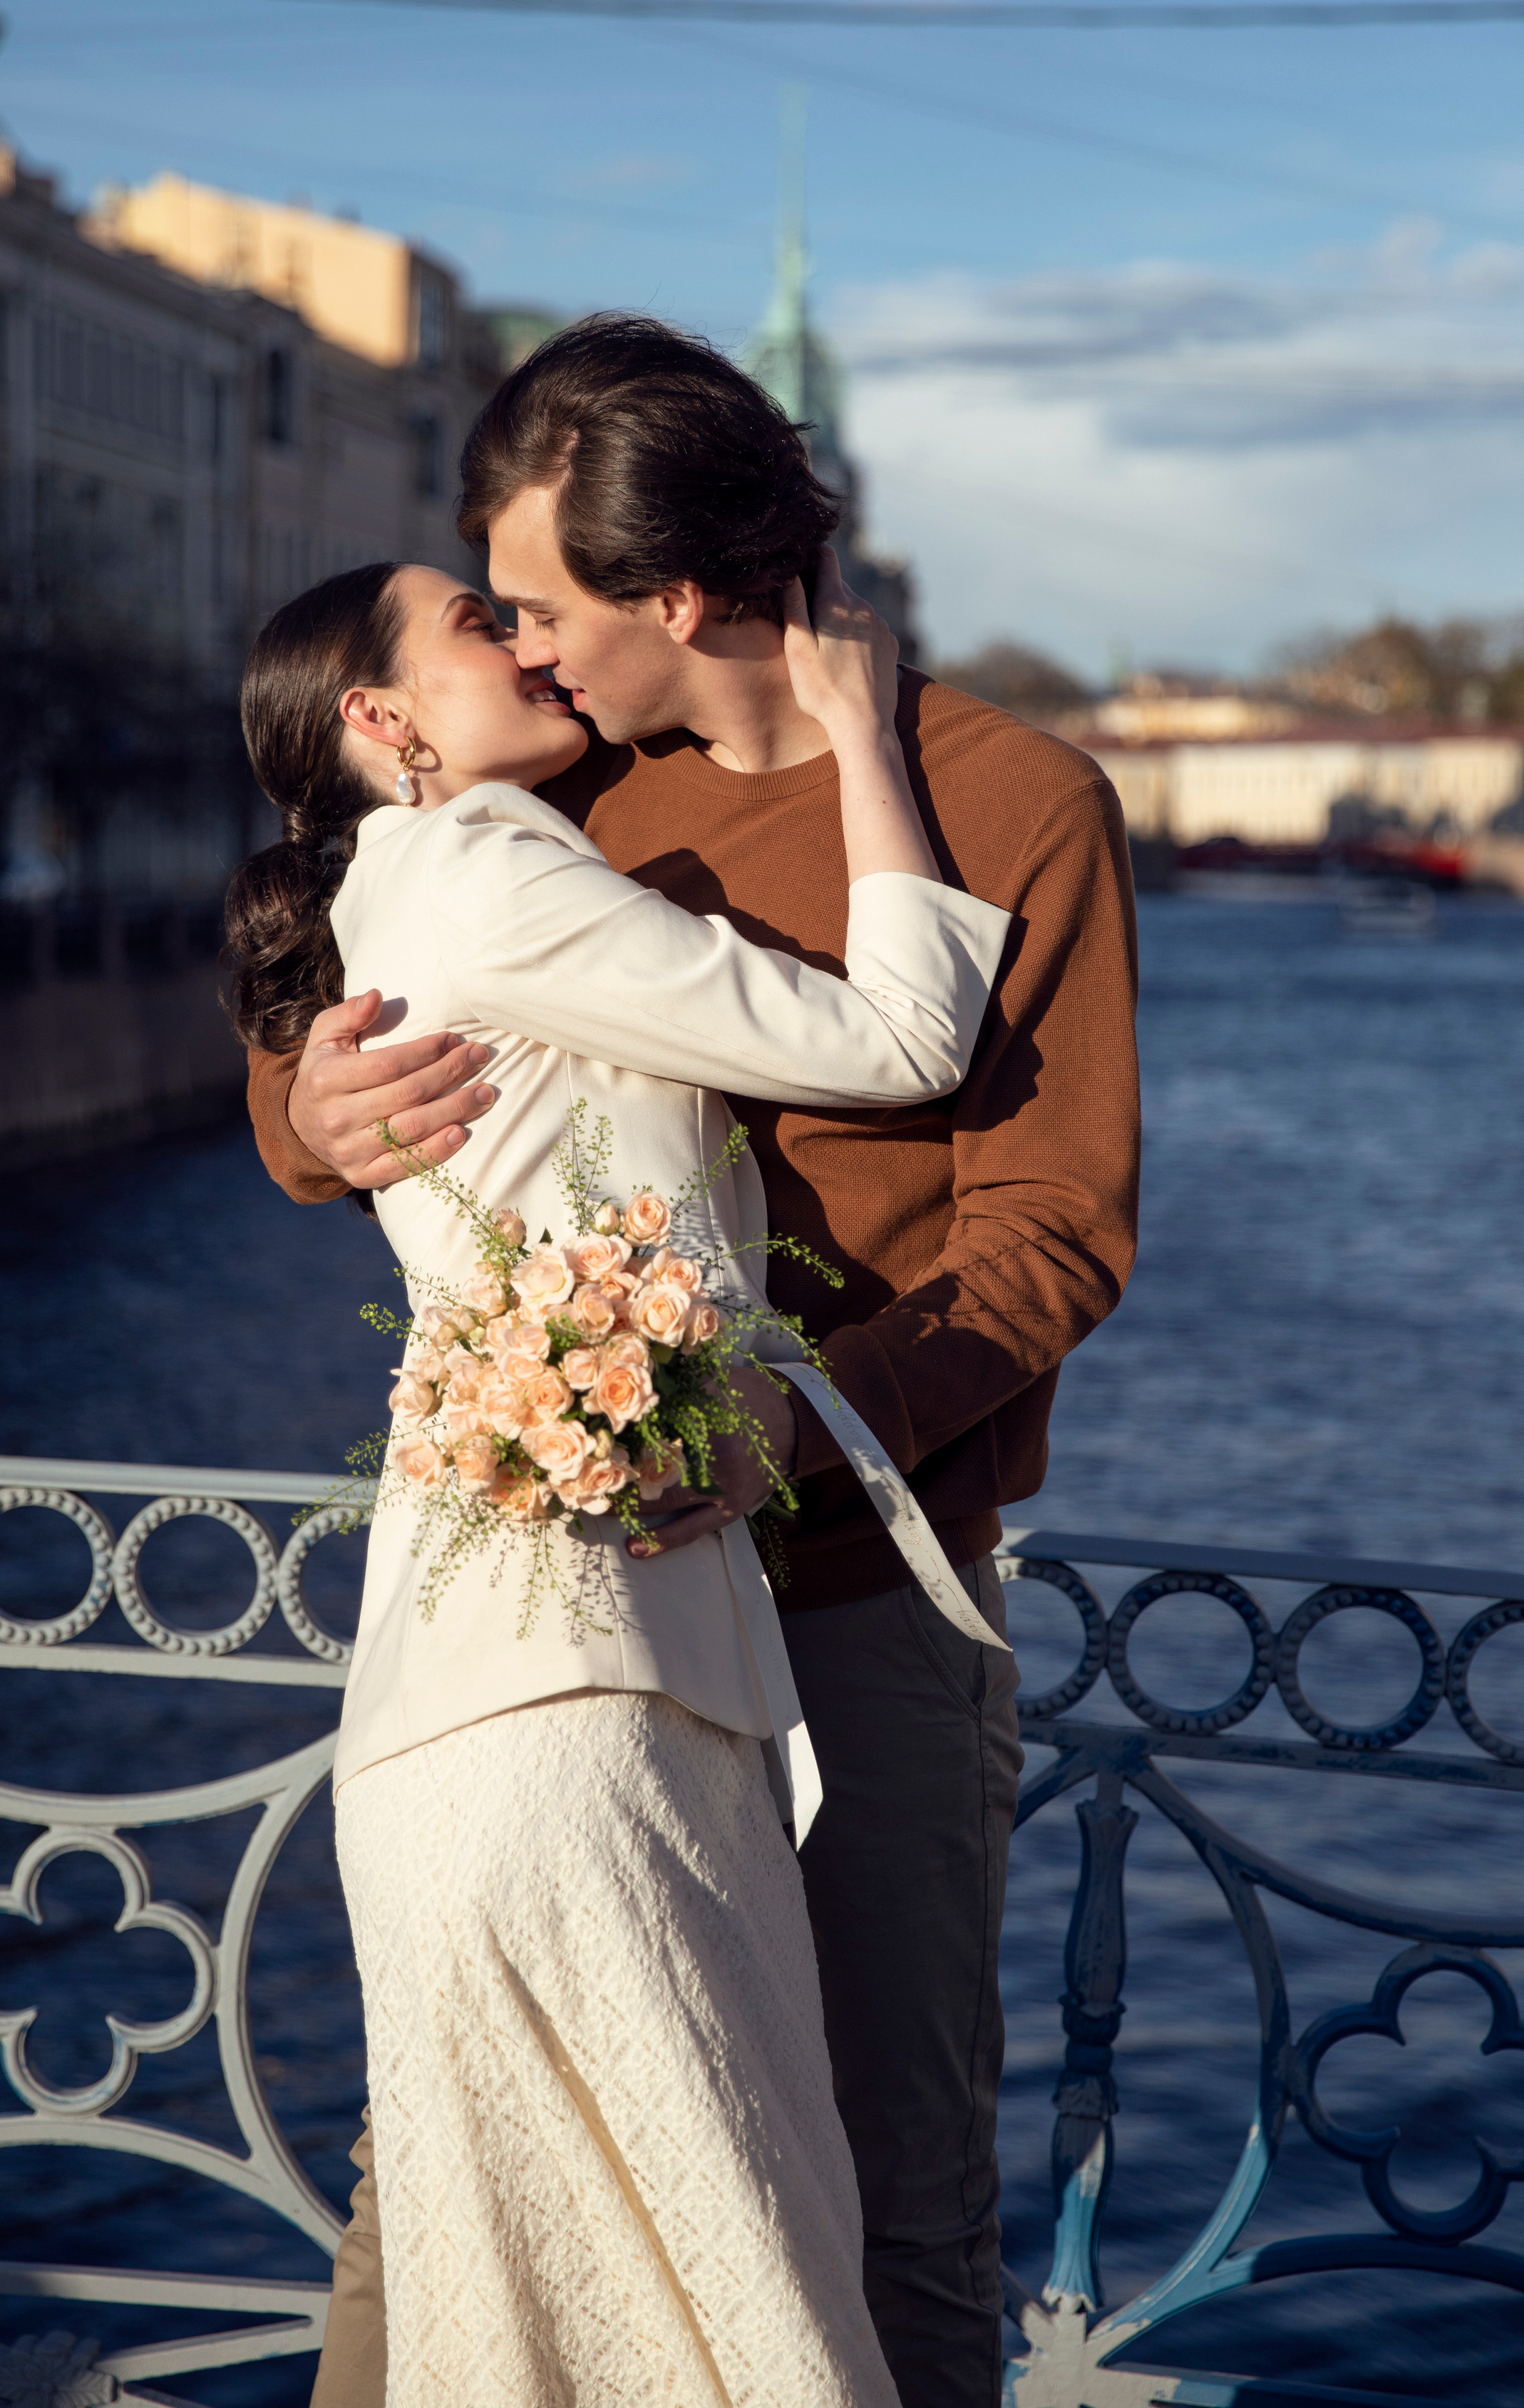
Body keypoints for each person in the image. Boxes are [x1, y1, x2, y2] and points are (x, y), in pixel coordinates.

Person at [245, 316, 1141, 2408]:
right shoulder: (566, 786)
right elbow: (360, 956)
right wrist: (306, 1112)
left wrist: (780, 1437)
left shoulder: (1021, 800)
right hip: (592, 1602)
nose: (529, 656)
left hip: (868, 1586)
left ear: (670, 597)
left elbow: (1059, 1226)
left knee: (895, 2195)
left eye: (541, 607)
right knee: (444, 2160)